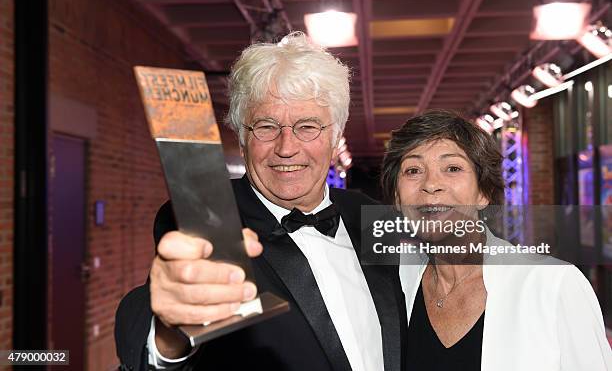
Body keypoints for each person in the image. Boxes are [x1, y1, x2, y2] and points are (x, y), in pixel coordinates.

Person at [115, 32, 407, 371]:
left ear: (335, 136)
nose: (286, 147)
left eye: (307, 126)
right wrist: (167, 336)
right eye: (266, 126)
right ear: (241, 139)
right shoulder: (210, 219)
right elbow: (160, 310)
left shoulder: (367, 213)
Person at [380, 109, 612, 370]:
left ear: (483, 193)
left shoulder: (553, 284)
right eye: (413, 170)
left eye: (452, 168)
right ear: (398, 200)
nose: (431, 184)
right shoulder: (393, 286)